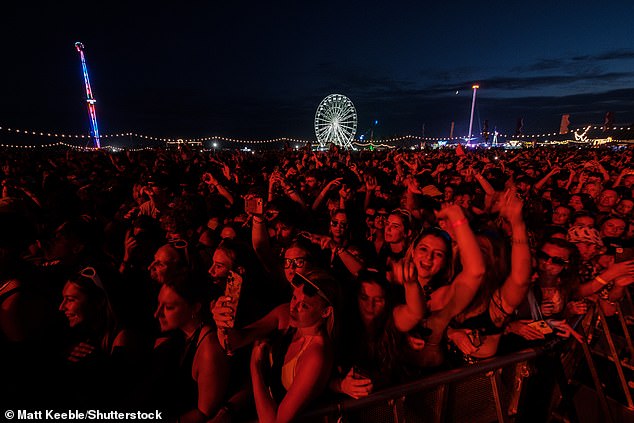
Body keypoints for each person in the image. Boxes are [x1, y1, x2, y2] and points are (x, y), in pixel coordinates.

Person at [212, 268, 341, 423]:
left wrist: (255, 368)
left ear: (325, 312)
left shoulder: (316, 355)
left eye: (304, 306)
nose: (293, 307)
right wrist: (222, 323)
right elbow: (235, 341)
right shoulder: (284, 315)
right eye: (294, 297)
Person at [447, 188, 532, 363]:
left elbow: (520, 279)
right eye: (471, 248)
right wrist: (452, 333)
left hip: (480, 379)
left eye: (483, 251)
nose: (475, 255)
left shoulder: (497, 302)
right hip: (443, 373)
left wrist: (517, 224)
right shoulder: (449, 282)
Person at [153, 275, 229, 422]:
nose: (157, 314)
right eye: (159, 304)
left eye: (169, 307)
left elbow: (204, 414)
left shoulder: (208, 350)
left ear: (195, 307)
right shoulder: (178, 337)